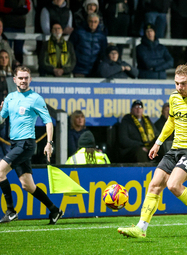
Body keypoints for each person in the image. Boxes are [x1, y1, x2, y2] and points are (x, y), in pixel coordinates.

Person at [117, 64, 187, 238]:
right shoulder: (174, 98)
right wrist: (158, 143)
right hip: (175, 148)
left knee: (173, 185)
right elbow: (171, 122)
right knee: (154, 185)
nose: (179, 87)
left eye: (183, 83)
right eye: (176, 83)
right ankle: (141, 228)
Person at [0, 66, 63, 224]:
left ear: (30, 79)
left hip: (26, 144)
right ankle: (55, 210)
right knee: (28, 185)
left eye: (26, 78)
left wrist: (49, 143)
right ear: (14, 80)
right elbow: (1, 119)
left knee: (0, 172)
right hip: (15, 144)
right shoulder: (10, 98)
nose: (23, 81)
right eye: (20, 78)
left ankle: (11, 211)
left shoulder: (35, 98)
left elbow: (48, 121)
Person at [69, 13, 107, 77]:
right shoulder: (78, 32)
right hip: (79, 69)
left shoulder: (102, 35)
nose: (93, 24)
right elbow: (70, 48)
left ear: (98, 22)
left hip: (95, 70)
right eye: (91, 21)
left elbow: (103, 52)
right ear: (87, 21)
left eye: (95, 22)